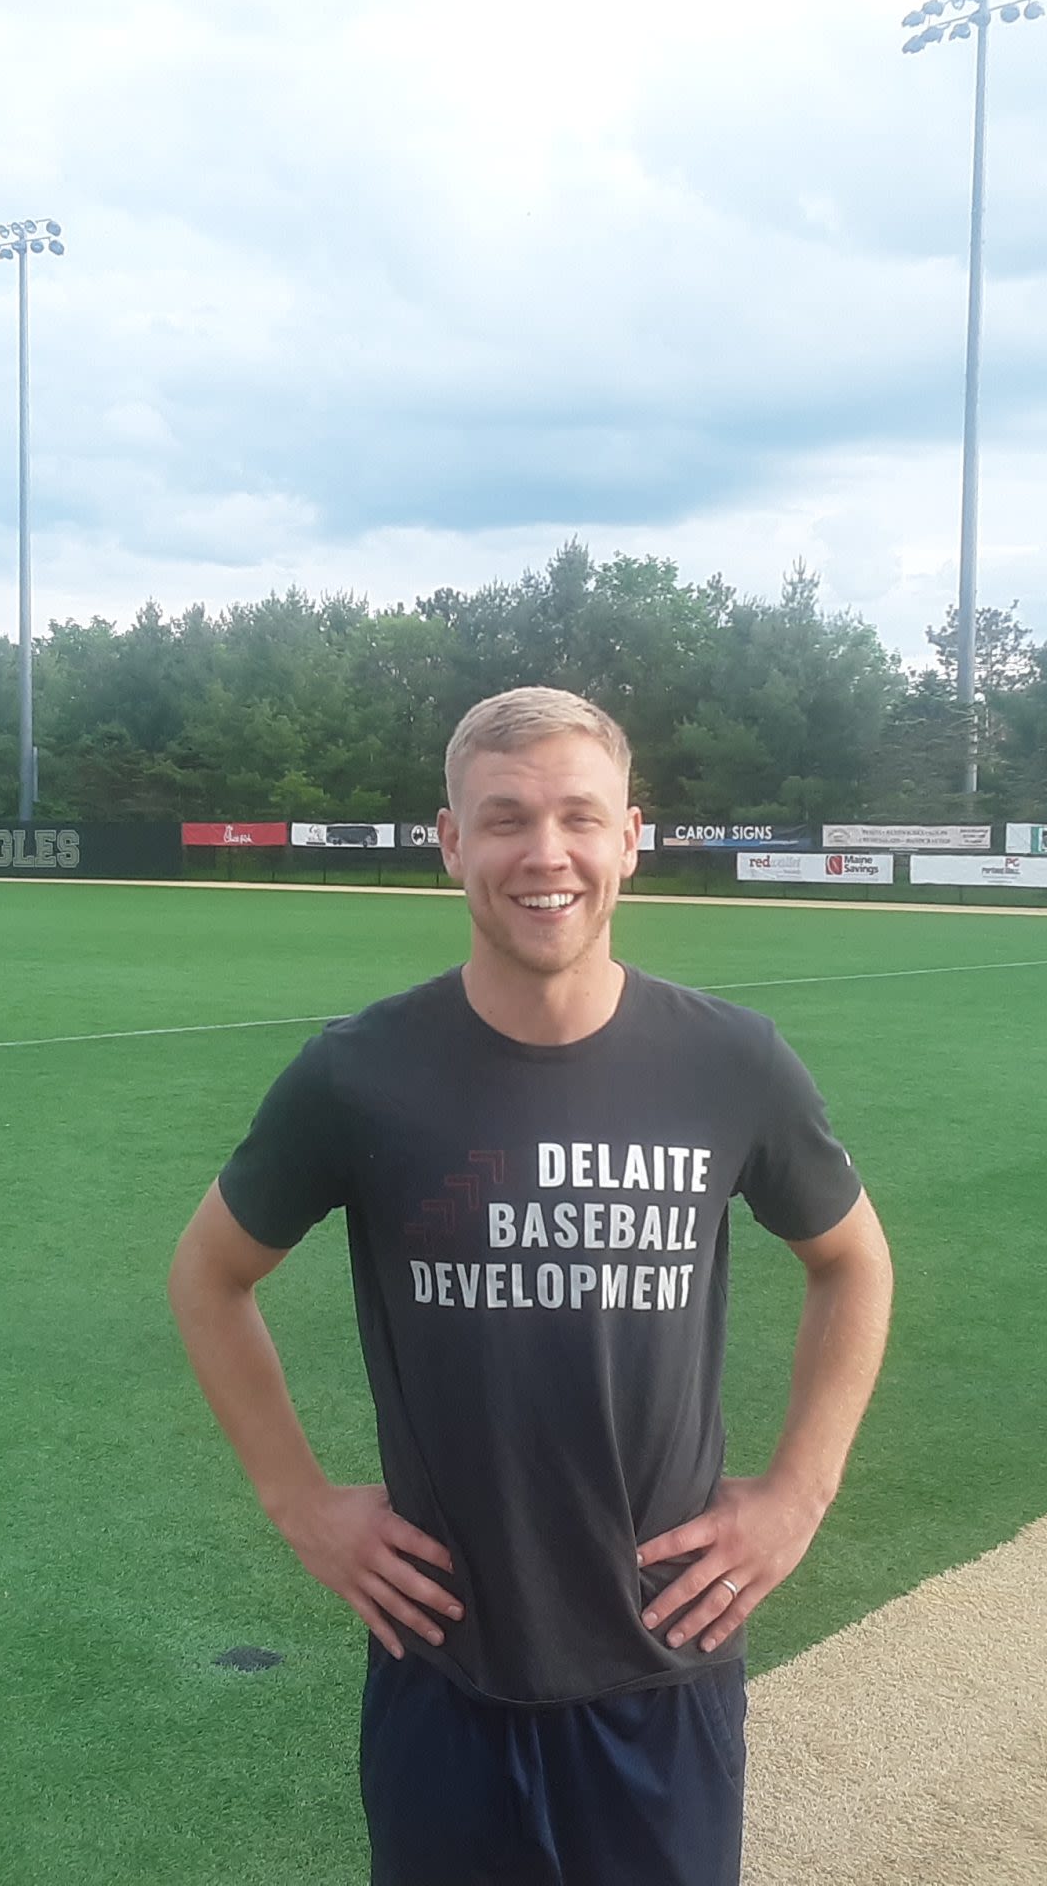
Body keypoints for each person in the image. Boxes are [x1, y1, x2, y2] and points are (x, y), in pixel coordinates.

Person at [168, 687, 894, 1886]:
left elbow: (852, 1258)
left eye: (577, 817)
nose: (543, 854)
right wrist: (300, 1502)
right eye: (503, 819)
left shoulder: (730, 1062)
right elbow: (210, 1275)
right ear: (452, 843)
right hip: (442, 1664)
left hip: (663, 1661)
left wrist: (799, 1492)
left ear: (630, 837)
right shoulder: (359, 1076)